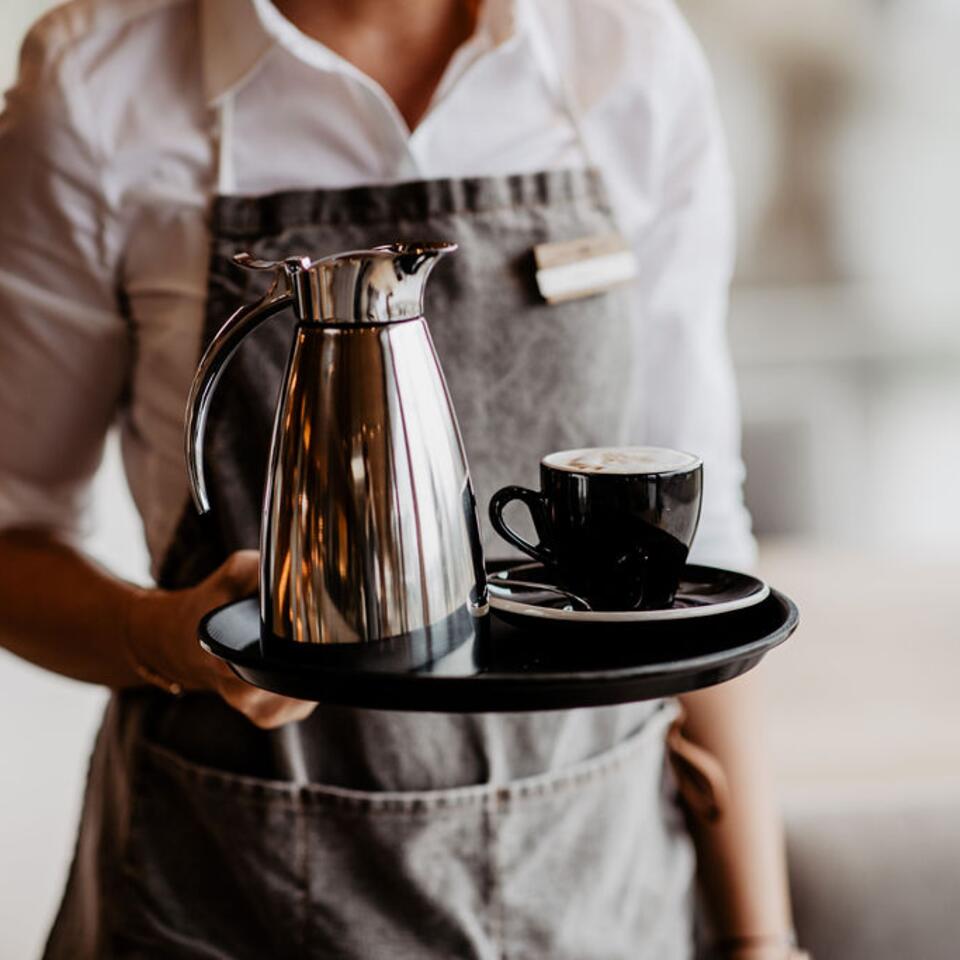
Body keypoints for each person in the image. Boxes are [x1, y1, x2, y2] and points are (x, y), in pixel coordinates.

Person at [0, 1, 807, 957]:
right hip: (236, 888)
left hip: (595, 877)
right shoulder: (101, 83)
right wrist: (159, 636)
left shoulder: (623, 48)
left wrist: (761, 939)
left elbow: (695, 553)